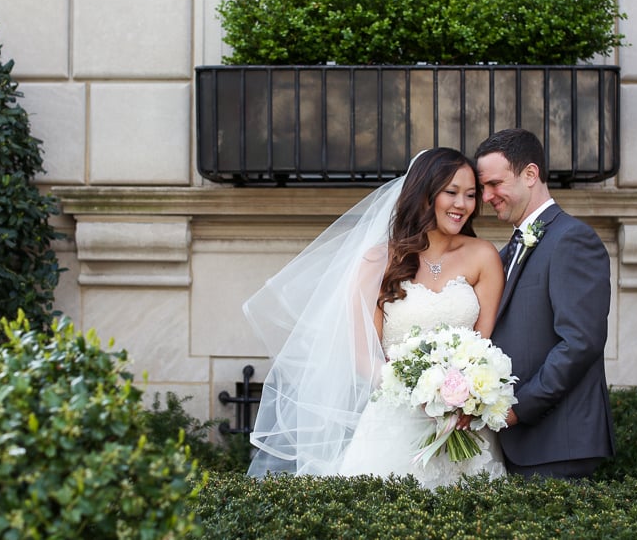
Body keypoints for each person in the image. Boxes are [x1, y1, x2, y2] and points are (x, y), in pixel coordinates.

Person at [244, 148, 507, 487]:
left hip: (464, 423)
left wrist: (461, 395)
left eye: (471, 195)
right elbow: (362, 355)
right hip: (395, 420)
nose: (462, 204)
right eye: (451, 192)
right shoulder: (377, 261)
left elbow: (483, 344)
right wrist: (419, 393)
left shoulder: (483, 256)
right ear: (424, 194)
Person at [474, 128, 615, 479]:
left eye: (495, 184)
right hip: (513, 442)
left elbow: (580, 342)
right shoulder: (507, 251)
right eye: (483, 187)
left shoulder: (573, 239)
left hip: (557, 441)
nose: (486, 196)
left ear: (530, 174)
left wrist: (518, 409)